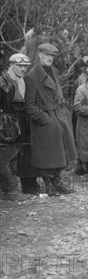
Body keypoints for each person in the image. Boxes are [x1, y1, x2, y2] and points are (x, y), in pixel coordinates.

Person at [24, 43, 76, 196]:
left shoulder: (53, 71)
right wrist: (45, 119)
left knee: (62, 153)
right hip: (44, 121)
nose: (50, 58)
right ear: (39, 55)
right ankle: (49, 186)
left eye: (52, 56)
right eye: (47, 55)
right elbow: (29, 106)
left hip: (57, 116)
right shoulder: (31, 77)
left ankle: (57, 182)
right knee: (47, 156)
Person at [0, 53, 32, 201]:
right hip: (5, 124)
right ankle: (10, 190)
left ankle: (11, 190)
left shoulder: (19, 81)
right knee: (4, 158)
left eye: (25, 66)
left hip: (15, 123)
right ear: (12, 65)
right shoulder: (3, 81)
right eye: (20, 66)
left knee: (13, 156)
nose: (23, 69)